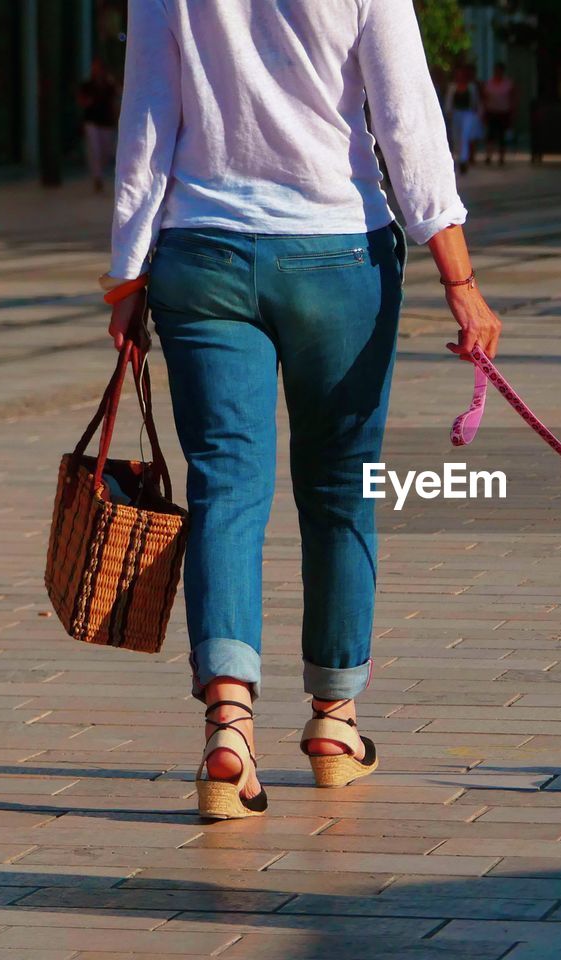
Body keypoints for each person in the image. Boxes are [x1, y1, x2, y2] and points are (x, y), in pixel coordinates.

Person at [106, 0, 502, 819]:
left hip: (202, 251)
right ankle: (334, 720)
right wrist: (459, 279)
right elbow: (407, 116)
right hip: (338, 252)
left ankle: (229, 728)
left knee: (224, 486)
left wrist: (126, 272)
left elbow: (147, 113)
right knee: (340, 491)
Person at [78, 59, 119, 192]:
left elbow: (115, 101)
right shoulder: (87, 85)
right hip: (92, 121)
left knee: (106, 151)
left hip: (106, 122)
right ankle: (97, 177)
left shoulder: (109, 86)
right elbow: (81, 100)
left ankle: (99, 173)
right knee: (94, 150)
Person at [444, 65, 480, 175]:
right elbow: (449, 101)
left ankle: (463, 160)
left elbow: (474, 101)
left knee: (464, 136)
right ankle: (457, 158)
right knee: (456, 137)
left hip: (467, 113)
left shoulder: (471, 87)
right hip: (456, 113)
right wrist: (448, 112)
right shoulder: (452, 87)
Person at [482, 62, 516, 166]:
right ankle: (489, 155)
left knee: (502, 135)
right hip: (492, 111)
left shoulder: (508, 84)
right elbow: (485, 97)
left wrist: (513, 110)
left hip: (503, 112)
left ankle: (501, 156)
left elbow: (513, 97)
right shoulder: (489, 83)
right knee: (490, 135)